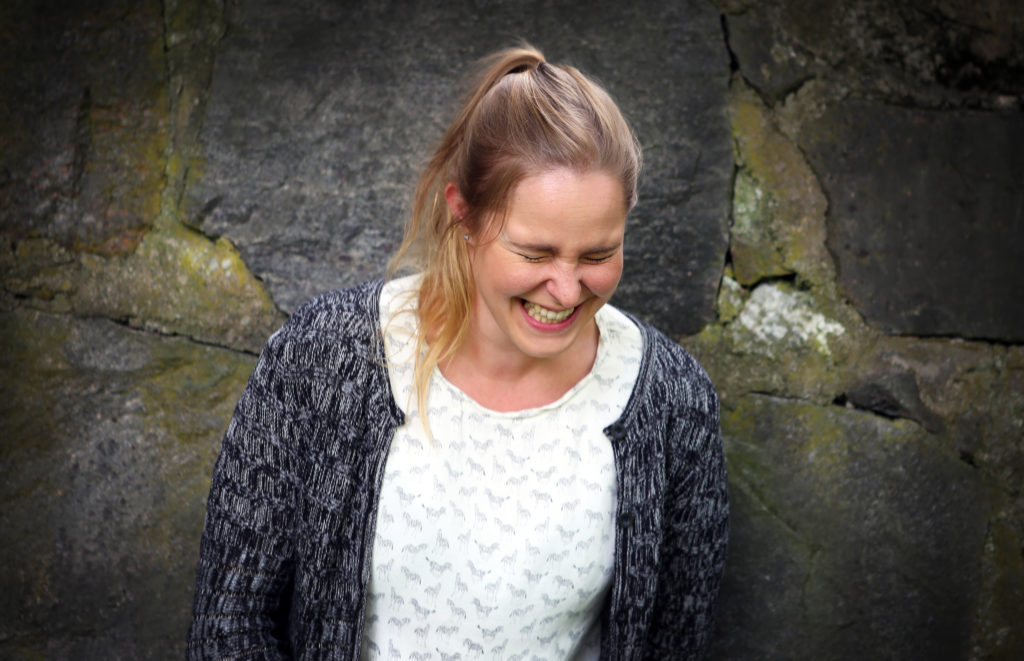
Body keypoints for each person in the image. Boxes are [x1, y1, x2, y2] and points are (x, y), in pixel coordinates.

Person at [187, 45, 728, 661]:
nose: (567, 289)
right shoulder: (325, 357)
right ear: (462, 214)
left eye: (598, 255)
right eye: (535, 253)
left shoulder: (671, 402)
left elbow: (673, 644)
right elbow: (229, 627)